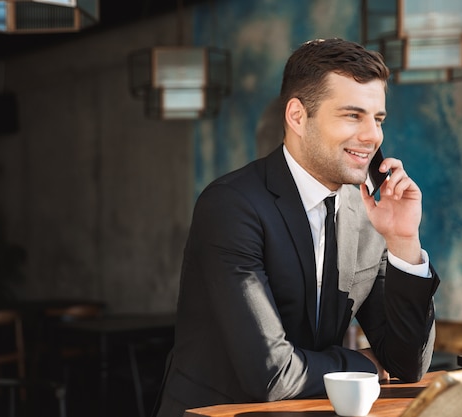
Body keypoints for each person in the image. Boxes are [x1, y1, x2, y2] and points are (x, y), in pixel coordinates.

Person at [154, 38, 440, 417]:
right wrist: (368, 364)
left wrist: (403, 240)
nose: (373, 136)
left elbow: (408, 364)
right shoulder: (230, 205)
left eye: (378, 118)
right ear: (297, 116)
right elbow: (272, 375)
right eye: (353, 115)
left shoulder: (369, 211)